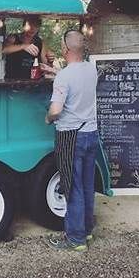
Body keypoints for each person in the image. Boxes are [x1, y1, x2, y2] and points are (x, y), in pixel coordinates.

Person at [45, 30, 99, 252]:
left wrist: (48, 118)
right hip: (91, 133)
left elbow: (56, 110)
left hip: (71, 136)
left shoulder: (64, 77)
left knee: (73, 187)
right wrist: (56, 72)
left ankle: (76, 240)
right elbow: (77, 78)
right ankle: (86, 230)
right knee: (87, 185)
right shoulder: (91, 68)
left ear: (66, 49)